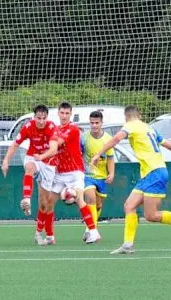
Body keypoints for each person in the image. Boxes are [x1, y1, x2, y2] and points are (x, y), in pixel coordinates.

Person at [91, 105, 171, 255]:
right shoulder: (148, 127)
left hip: (155, 173)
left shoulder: (130, 125)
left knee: (151, 215)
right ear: (139, 115)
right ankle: (127, 245)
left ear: (126, 117)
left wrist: (97, 154)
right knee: (129, 206)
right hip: (150, 173)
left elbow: (115, 139)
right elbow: (165, 143)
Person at [2, 104, 59, 244]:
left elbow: (54, 149)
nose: (41, 121)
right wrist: (6, 161)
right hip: (33, 157)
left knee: (45, 205)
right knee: (29, 167)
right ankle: (26, 199)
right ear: (34, 117)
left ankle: (40, 233)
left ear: (47, 118)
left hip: (48, 163)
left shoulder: (51, 127)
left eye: (43, 118)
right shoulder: (28, 126)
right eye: (38, 118)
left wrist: (42, 156)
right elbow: (15, 144)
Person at [47, 102, 100, 245]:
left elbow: (57, 142)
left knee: (80, 200)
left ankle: (94, 232)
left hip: (75, 171)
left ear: (70, 114)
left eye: (67, 113)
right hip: (60, 173)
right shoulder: (55, 129)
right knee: (49, 203)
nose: (64, 116)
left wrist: (44, 144)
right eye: (62, 113)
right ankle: (50, 237)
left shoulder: (73, 129)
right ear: (58, 113)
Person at [81, 111, 115, 236]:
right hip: (87, 175)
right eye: (92, 123)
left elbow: (110, 158)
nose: (94, 125)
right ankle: (91, 229)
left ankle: (91, 224)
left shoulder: (107, 139)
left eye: (97, 123)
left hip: (101, 176)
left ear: (101, 123)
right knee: (91, 198)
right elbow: (78, 154)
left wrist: (111, 173)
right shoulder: (84, 137)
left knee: (98, 205)